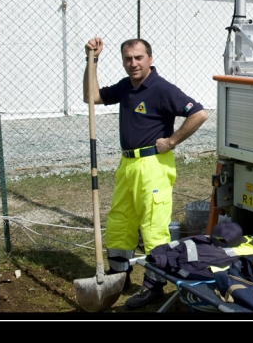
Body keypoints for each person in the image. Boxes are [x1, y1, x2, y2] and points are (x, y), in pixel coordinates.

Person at [83, 37, 208, 310]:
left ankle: (154, 286)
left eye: (139, 57)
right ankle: (118, 276)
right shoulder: (126, 87)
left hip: (153, 166)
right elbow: (90, 97)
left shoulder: (161, 88)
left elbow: (199, 114)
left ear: (150, 58)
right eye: (128, 58)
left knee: (153, 227)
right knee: (120, 221)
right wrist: (92, 60)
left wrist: (172, 141)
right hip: (127, 165)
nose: (133, 63)